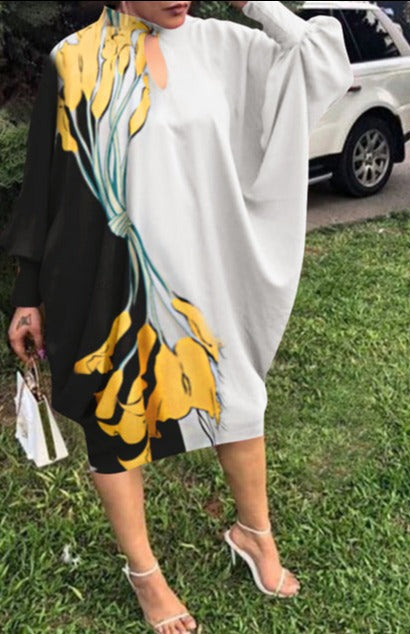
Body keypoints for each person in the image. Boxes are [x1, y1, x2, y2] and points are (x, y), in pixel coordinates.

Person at [1, 0, 353, 631]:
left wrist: (254, 4)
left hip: (202, 276)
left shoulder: (223, 47)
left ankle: (254, 534)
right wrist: (28, 291)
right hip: (104, 280)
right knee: (115, 416)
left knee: (236, 397)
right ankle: (146, 575)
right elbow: (45, 182)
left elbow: (321, 58)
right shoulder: (72, 60)